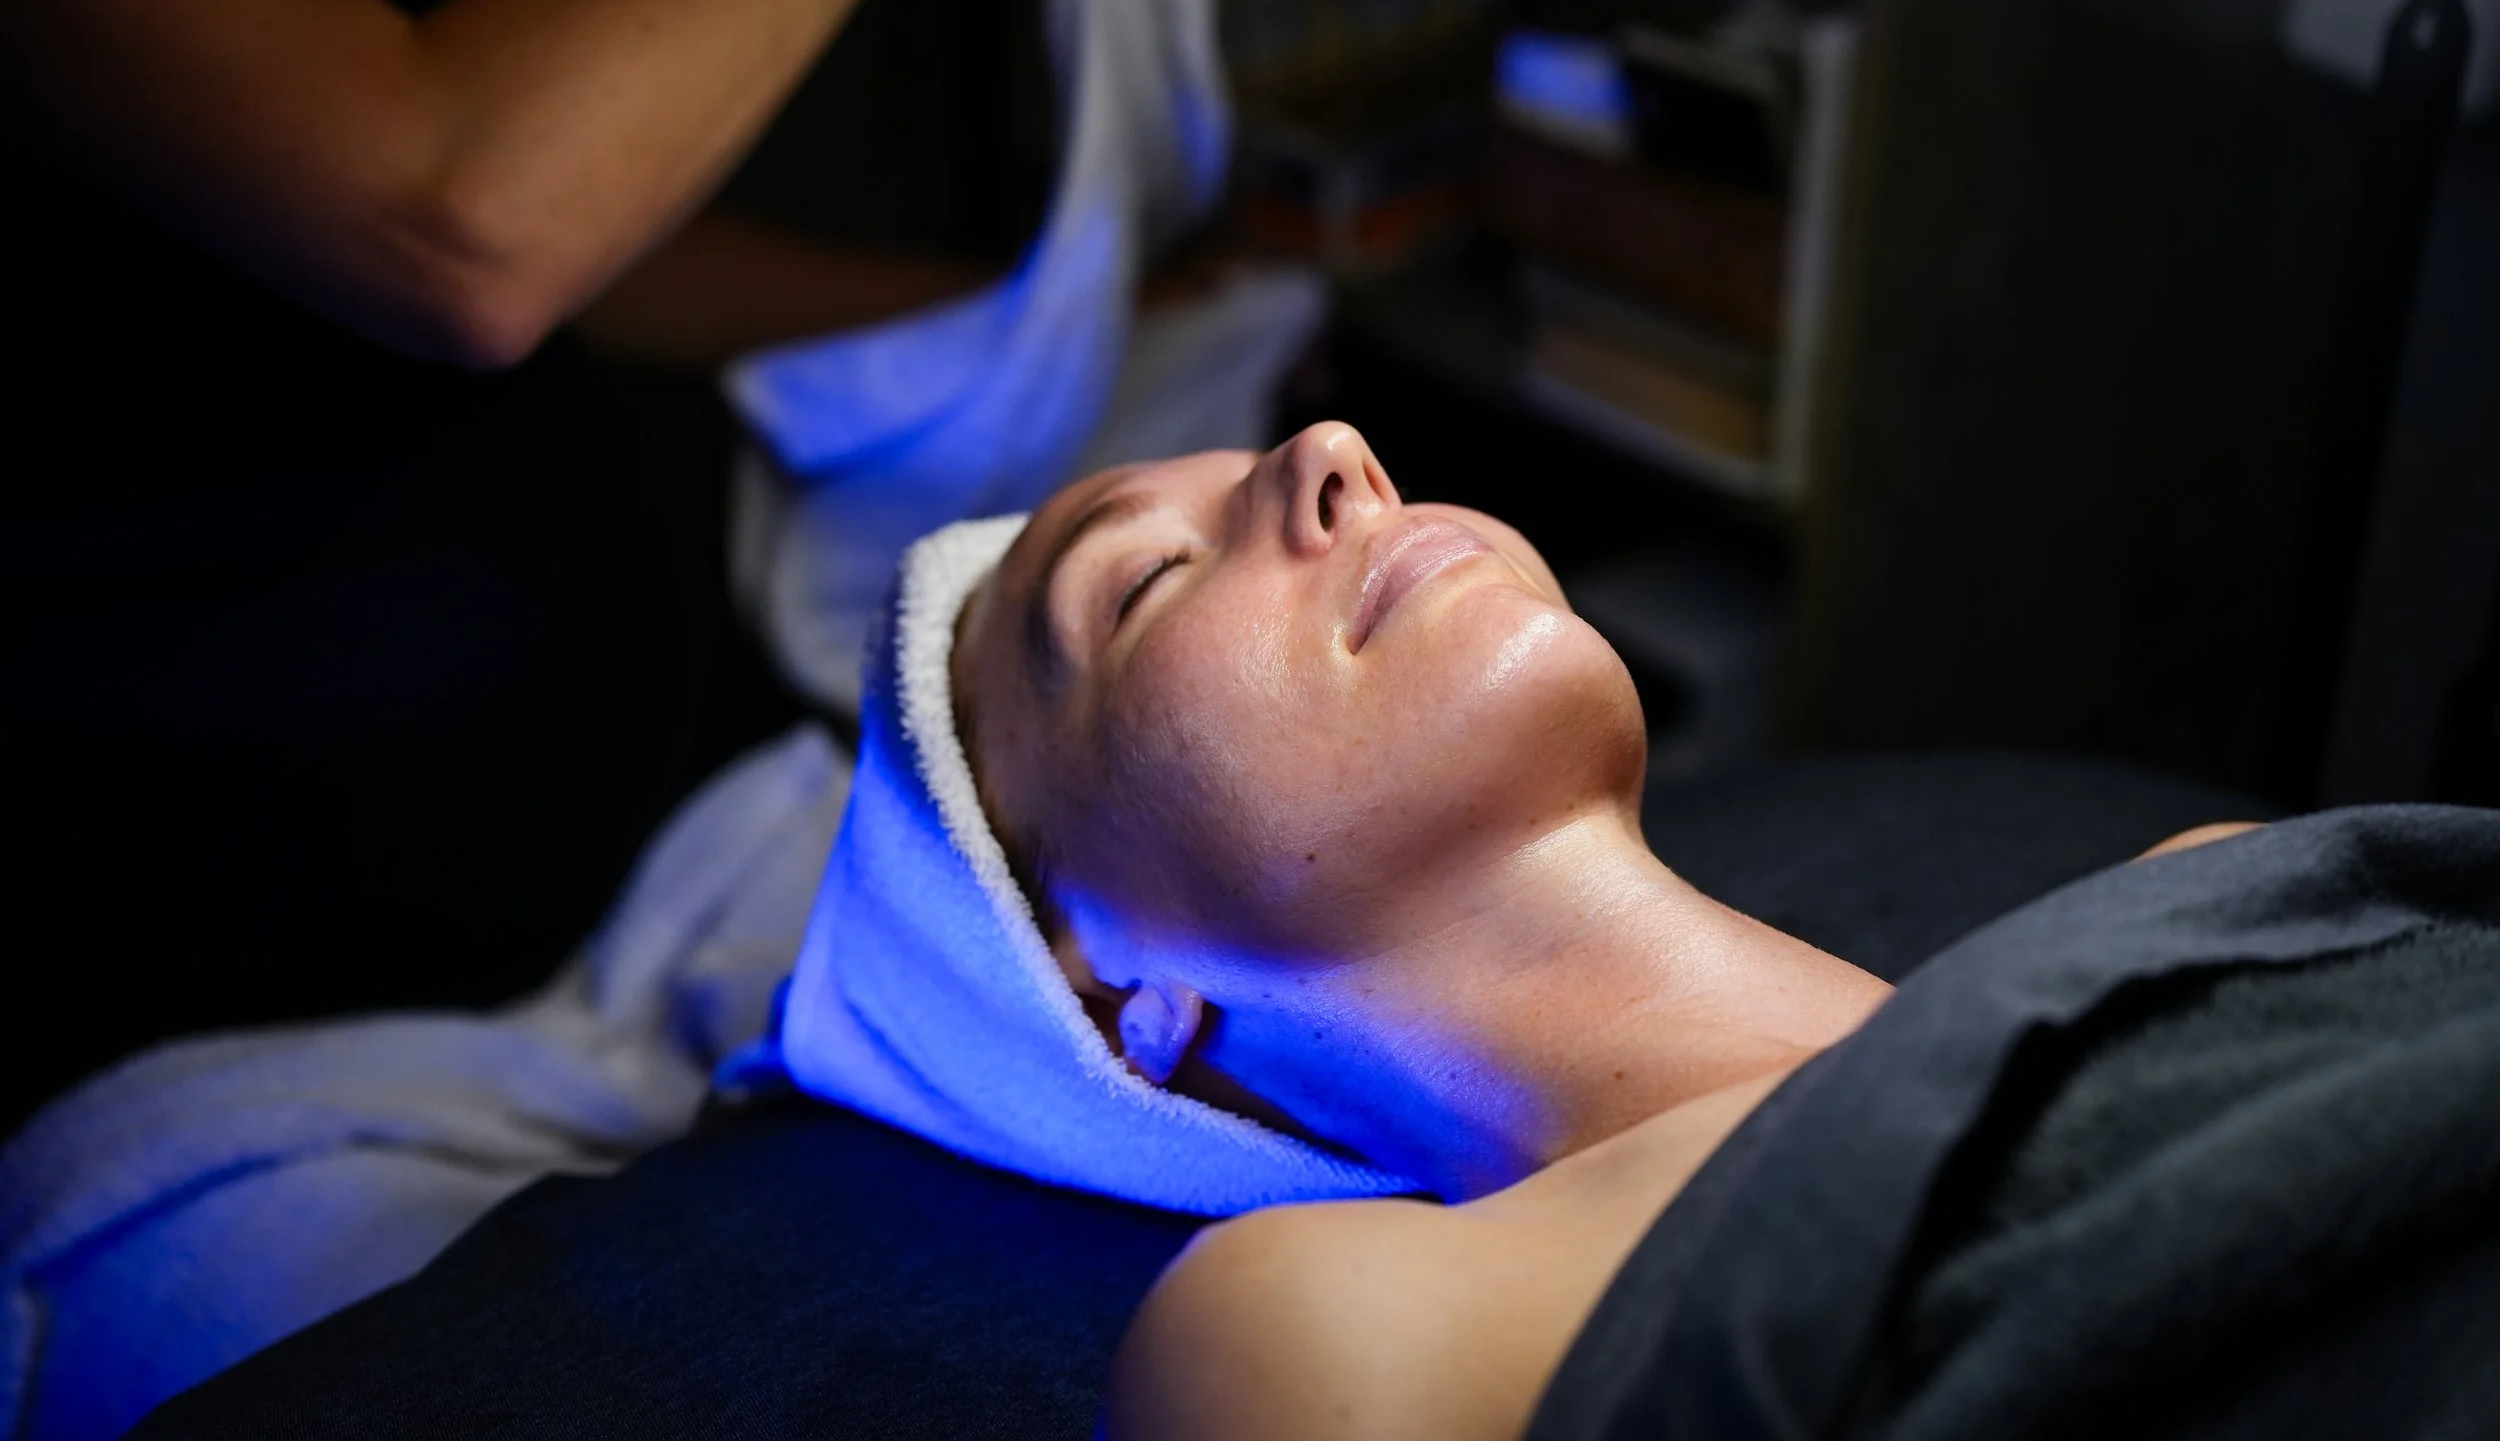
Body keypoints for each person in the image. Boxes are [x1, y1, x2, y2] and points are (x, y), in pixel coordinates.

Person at [767, 418, 2500, 1441]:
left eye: (1309, 460)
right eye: (1142, 585)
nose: (1329, 456)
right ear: (1102, 982)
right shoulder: (1324, 1342)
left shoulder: (2211, 880)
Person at [0, 0, 1222, 1125]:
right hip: (260, 970)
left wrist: (1026, 320)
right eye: (1137, 589)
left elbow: (582, 234)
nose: (1329, 467)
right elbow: (466, 223)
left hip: (667, 798)